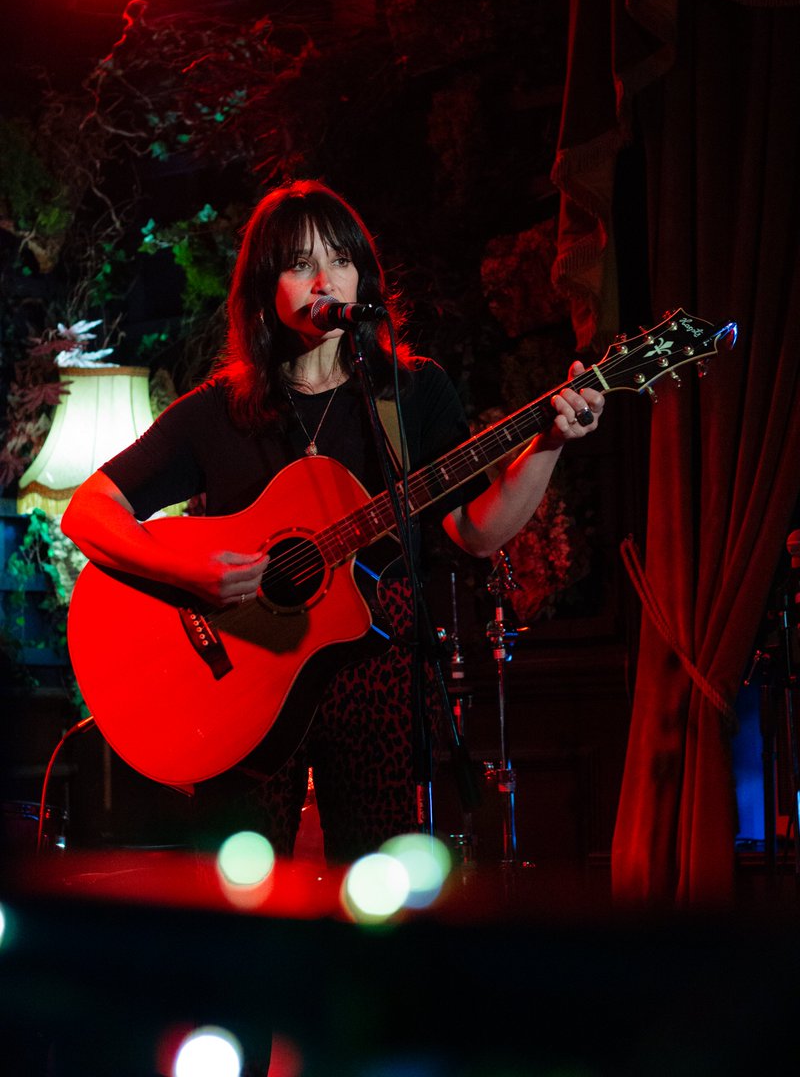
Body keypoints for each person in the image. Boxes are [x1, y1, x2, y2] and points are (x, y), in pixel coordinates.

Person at [61, 179, 604, 864]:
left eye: (341, 260)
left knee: (375, 888)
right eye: (299, 264)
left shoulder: (409, 393)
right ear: (265, 287)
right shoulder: (217, 412)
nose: (326, 280)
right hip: (242, 688)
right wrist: (188, 571)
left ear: (363, 276)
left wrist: (548, 443)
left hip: (377, 674)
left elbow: (476, 531)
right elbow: (89, 511)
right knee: (243, 888)